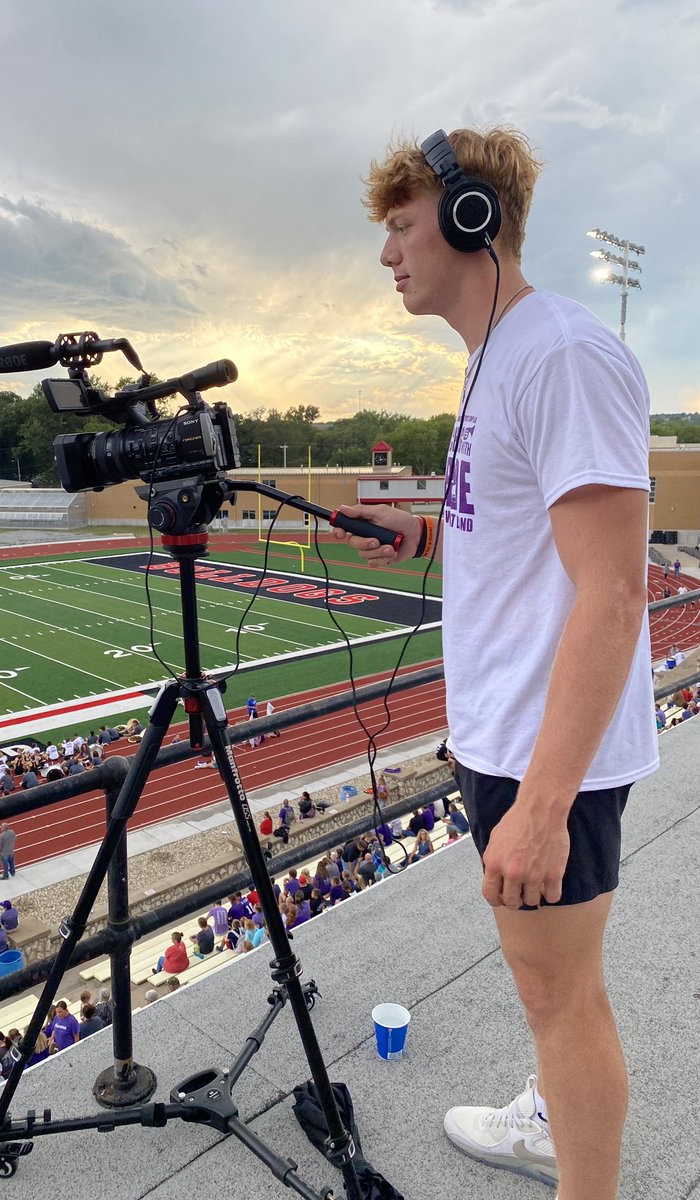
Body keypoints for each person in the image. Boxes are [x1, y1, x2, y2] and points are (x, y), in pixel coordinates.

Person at [335, 126, 657, 1200]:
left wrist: (545, 804)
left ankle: (581, 1178)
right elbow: (529, 537)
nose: (388, 253)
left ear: (473, 221)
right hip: (510, 734)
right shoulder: (498, 359)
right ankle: (547, 1116)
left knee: (562, 1002)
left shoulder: (561, 350)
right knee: (549, 994)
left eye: (401, 226)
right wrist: (421, 532)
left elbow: (615, 593)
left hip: (541, 751)